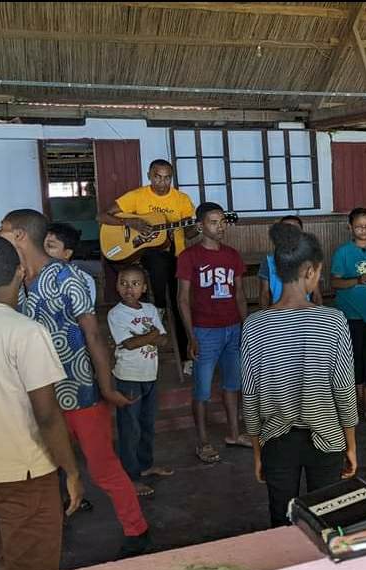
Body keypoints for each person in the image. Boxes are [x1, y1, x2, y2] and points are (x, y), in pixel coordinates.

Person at [0, 209, 151, 558]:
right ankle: (57, 520)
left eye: (2, 229)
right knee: (45, 465)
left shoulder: (68, 277)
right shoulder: (15, 280)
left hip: (79, 391)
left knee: (102, 467)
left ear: (20, 235)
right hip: (39, 392)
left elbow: (93, 335)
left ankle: (137, 528)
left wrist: (106, 387)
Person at [0, 235, 84, 570]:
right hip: (23, 470)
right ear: (21, 272)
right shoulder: (25, 332)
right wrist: (71, 470)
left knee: (9, 561)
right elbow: (47, 414)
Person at [242, 224, 359, 527]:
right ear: (310, 271)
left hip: (276, 441)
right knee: (329, 521)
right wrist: (350, 444)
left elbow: (250, 397)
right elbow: (344, 390)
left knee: (282, 521)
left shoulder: (255, 325)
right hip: (328, 438)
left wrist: (257, 451)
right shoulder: (333, 321)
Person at [99, 159, 196, 373]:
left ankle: (186, 357)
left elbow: (189, 233)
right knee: (156, 259)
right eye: (157, 177)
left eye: (167, 178)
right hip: (148, 258)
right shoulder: (137, 196)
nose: (162, 182)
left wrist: (197, 227)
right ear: (149, 176)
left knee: (181, 305)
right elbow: (102, 216)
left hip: (176, 258)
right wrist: (129, 222)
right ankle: (157, 307)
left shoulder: (182, 200)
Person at [176, 202, 249, 464]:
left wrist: (245, 328)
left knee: (233, 384)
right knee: (202, 390)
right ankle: (203, 441)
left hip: (233, 328)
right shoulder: (189, 256)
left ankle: (234, 434)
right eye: (213, 222)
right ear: (200, 226)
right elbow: (182, 299)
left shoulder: (232, 255)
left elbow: (239, 295)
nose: (220, 227)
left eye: (223, 222)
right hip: (205, 331)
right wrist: (191, 337)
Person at [108, 265, 174, 497]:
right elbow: (129, 344)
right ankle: (130, 476)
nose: (129, 288)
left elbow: (164, 340)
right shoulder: (116, 314)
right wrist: (152, 335)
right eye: (124, 283)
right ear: (117, 286)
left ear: (144, 288)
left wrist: (148, 337)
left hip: (149, 375)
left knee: (147, 424)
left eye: (135, 284)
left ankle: (145, 465)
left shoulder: (150, 309)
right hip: (129, 377)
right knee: (130, 428)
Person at [331, 208, 366, 424]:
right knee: (355, 363)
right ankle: (359, 407)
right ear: (350, 227)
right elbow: (335, 282)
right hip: (351, 316)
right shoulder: (342, 252)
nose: (363, 230)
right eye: (359, 227)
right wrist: (357, 280)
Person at [259, 215, 322, 308]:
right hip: (277, 312)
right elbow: (264, 294)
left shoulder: (309, 259)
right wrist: (266, 315)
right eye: (285, 229)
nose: (289, 234)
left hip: (306, 309)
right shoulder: (268, 261)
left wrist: (319, 311)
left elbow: (316, 293)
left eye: (295, 230)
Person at [45, 222, 97, 304]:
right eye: (41, 246)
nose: (44, 251)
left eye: (50, 246)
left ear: (67, 253)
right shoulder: (35, 275)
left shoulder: (84, 280)